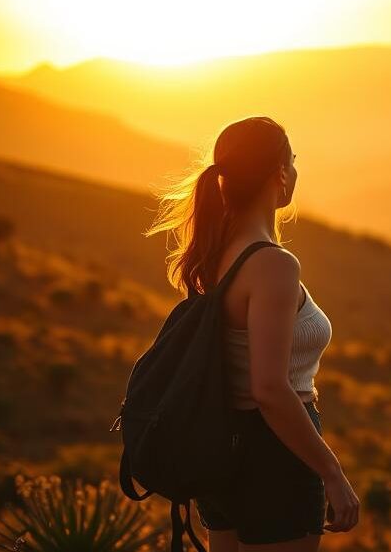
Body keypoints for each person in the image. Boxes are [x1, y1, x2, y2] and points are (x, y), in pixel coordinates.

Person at [144, 116, 360, 550]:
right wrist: (332, 473)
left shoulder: (216, 254)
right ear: (280, 172)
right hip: (276, 454)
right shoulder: (273, 266)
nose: (296, 171)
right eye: (293, 161)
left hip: (222, 447)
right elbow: (268, 388)